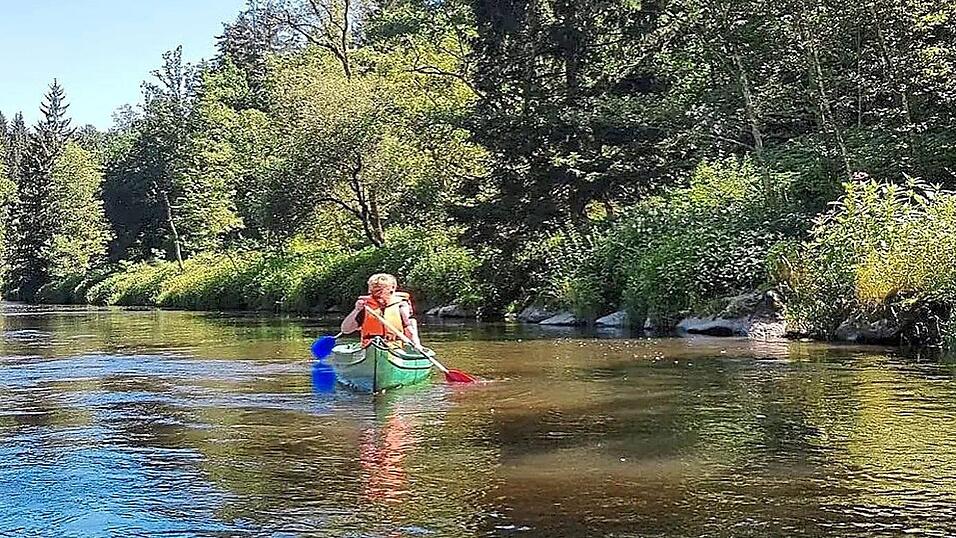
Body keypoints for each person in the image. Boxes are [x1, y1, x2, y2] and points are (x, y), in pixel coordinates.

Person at [341, 273, 421, 347]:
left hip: (394, 347)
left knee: (412, 322)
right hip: (370, 346)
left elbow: (409, 330)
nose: (377, 295)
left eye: (380, 291)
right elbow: (346, 330)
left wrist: (416, 345)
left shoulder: (400, 305)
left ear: (392, 289)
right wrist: (356, 310)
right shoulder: (365, 306)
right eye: (374, 291)